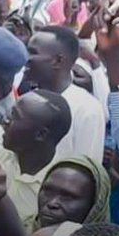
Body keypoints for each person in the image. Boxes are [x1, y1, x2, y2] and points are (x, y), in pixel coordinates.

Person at [23, 26, 104, 164]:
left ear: (57, 61)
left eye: (32, 53)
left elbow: (85, 170)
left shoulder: (87, 109)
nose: (26, 58)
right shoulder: (27, 101)